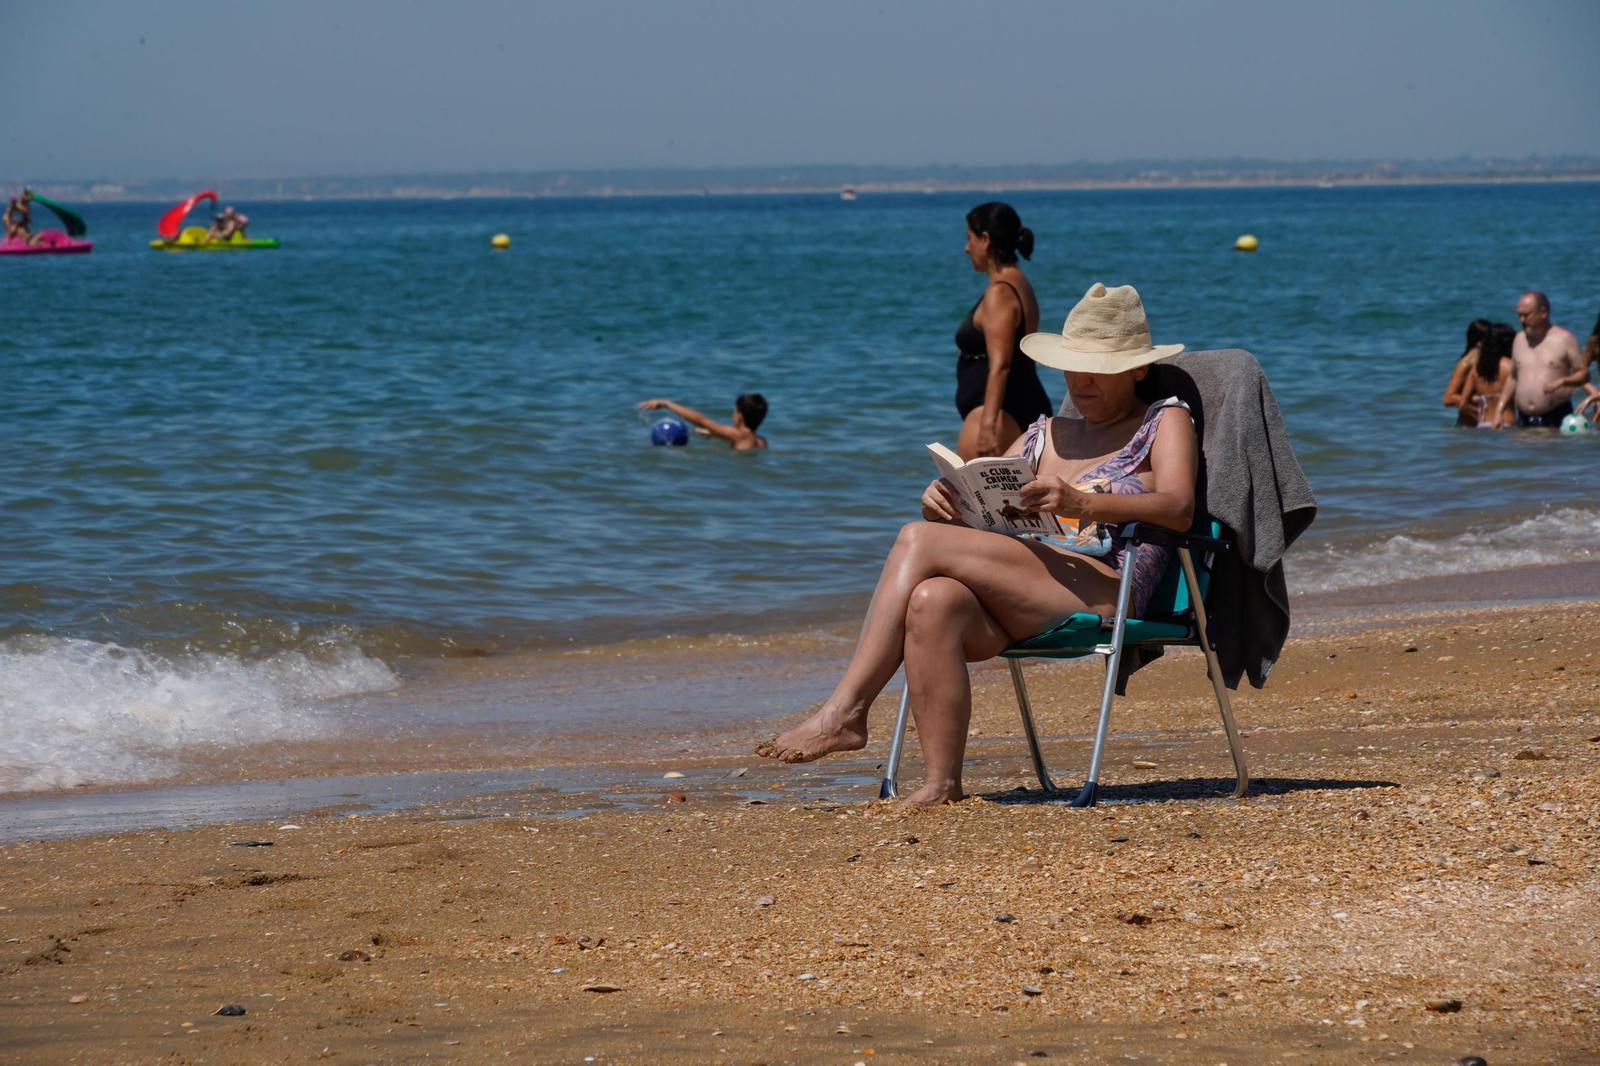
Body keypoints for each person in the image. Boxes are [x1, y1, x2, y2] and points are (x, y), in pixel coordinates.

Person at [756, 283, 1195, 804]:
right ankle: (943, 784)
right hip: (1026, 584)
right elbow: (984, 506)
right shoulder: (1042, 433)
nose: (1081, 379)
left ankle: (847, 711)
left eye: (1098, 366)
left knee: (916, 540)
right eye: (1073, 365)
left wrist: (1084, 504)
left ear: (1139, 368)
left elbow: (1179, 506)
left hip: (1105, 586)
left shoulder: (1163, 420)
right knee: (932, 600)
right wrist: (945, 501)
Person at [953, 202, 1054, 460]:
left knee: (974, 500)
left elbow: (1001, 365)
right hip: (1020, 406)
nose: (966, 248)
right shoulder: (1019, 282)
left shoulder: (1000, 293)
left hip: (1000, 416)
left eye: (969, 239)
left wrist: (987, 427)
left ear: (985, 239)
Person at [1492, 292, 1587, 428]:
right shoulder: (1519, 339)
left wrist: (1562, 381)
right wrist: (1499, 410)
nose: (1522, 320)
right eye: (1519, 315)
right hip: (1524, 419)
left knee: (1550, 449)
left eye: (1526, 315)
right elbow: (1513, 377)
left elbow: (1584, 375)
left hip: (1555, 416)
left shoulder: (1565, 339)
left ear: (1543, 313)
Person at [636, 393, 768, 450]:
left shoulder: (739, 435)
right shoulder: (761, 441)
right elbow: (741, 443)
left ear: (739, 416)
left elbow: (700, 420)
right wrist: (715, 434)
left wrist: (667, 404)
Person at [1455, 322, 1516, 428]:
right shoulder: (1510, 366)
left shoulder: (1477, 369)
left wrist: (1480, 413)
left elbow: (1463, 404)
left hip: (1483, 425)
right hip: (1506, 423)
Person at [1441, 319, 1493, 427]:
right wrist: (1474, 399)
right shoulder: (1466, 363)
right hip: (1466, 429)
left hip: (1481, 429)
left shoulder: (1484, 362)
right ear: (1480, 342)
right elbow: (1448, 398)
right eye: (1491, 339)